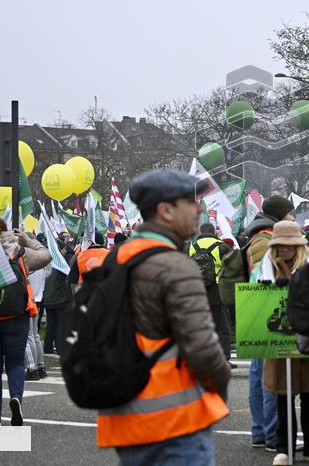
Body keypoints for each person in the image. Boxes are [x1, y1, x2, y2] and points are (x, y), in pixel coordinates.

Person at [96, 168, 230, 464]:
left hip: (127, 413)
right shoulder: (175, 265)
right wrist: (219, 392)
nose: (198, 209)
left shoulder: (117, 256)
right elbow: (204, 350)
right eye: (190, 202)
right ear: (165, 210)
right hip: (174, 421)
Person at [252, 220, 309, 465]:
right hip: (277, 341)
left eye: (291, 245)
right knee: (282, 398)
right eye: (282, 245)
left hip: (306, 339)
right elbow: (254, 297)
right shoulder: (264, 267)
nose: (286, 249)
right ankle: (283, 448)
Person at [0, 219, 51, 426]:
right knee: (15, 363)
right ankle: (15, 398)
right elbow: (46, 256)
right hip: (17, 316)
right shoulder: (20, 252)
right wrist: (27, 240)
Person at [245, 194, 295, 451]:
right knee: (268, 374)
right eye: (291, 214)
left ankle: (261, 431)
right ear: (280, 216)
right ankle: (271, 433)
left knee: (259, 373)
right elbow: (268, 276)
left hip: (255, 307)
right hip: (263, 307)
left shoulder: (260, 236)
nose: (294, 219)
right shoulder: (265, 240)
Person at [190, 223, 234, 363]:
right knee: (222, 327)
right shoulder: (223, 247)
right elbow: (232, 270)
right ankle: (223, 358)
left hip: (196, 291)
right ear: (214, 231)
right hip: (217, 290)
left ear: (200, 231)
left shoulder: (190, 246)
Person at [40, 234, 72, 356]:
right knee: (59, 325)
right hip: (59, 298)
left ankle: (48, 347)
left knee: (50, 324)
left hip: (47, 298)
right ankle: (59, 347)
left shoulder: (46, 260)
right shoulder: (61, 263)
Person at [24, 259, 47, 381]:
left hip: (28, 301)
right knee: (35, 335)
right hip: (38, 299)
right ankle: (40, 366)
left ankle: (32, 369)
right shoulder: (42, 263)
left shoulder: (29, 263)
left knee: (29, 336)